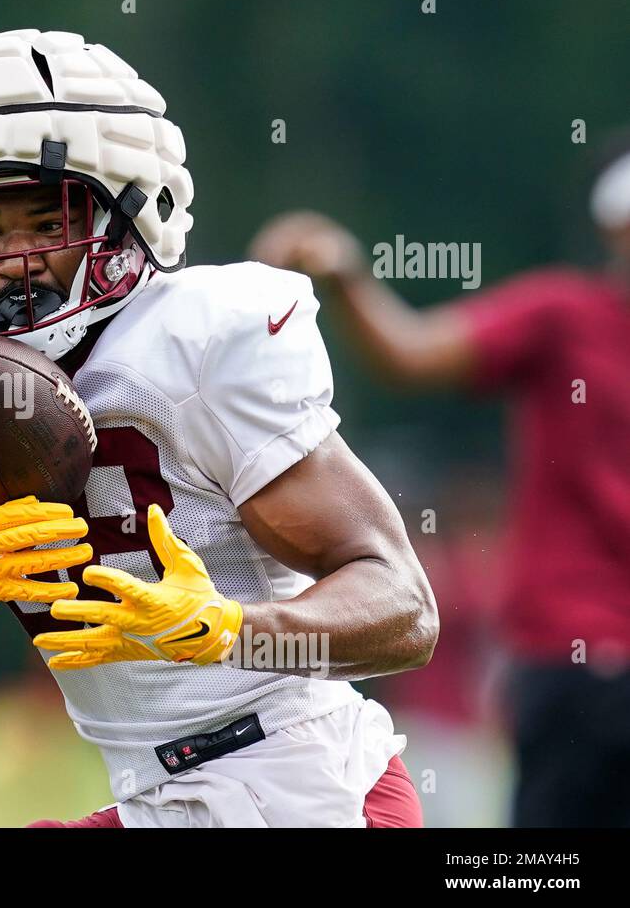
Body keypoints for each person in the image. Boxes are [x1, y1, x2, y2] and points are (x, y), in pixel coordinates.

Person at [0, 29, 437, 828]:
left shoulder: (200, 343)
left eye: (44, 220)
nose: (12, 260)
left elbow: (406, 612)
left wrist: (227, 631)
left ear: (131, 208)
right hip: (150, 800)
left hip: (305, 787)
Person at [248, 138, 630, 827]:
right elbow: (411, 355)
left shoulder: (563, 313)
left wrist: (344, 274)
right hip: (576, 664)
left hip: (567, 662)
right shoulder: (562, 318)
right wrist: (345, 279)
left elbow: (412, 354)